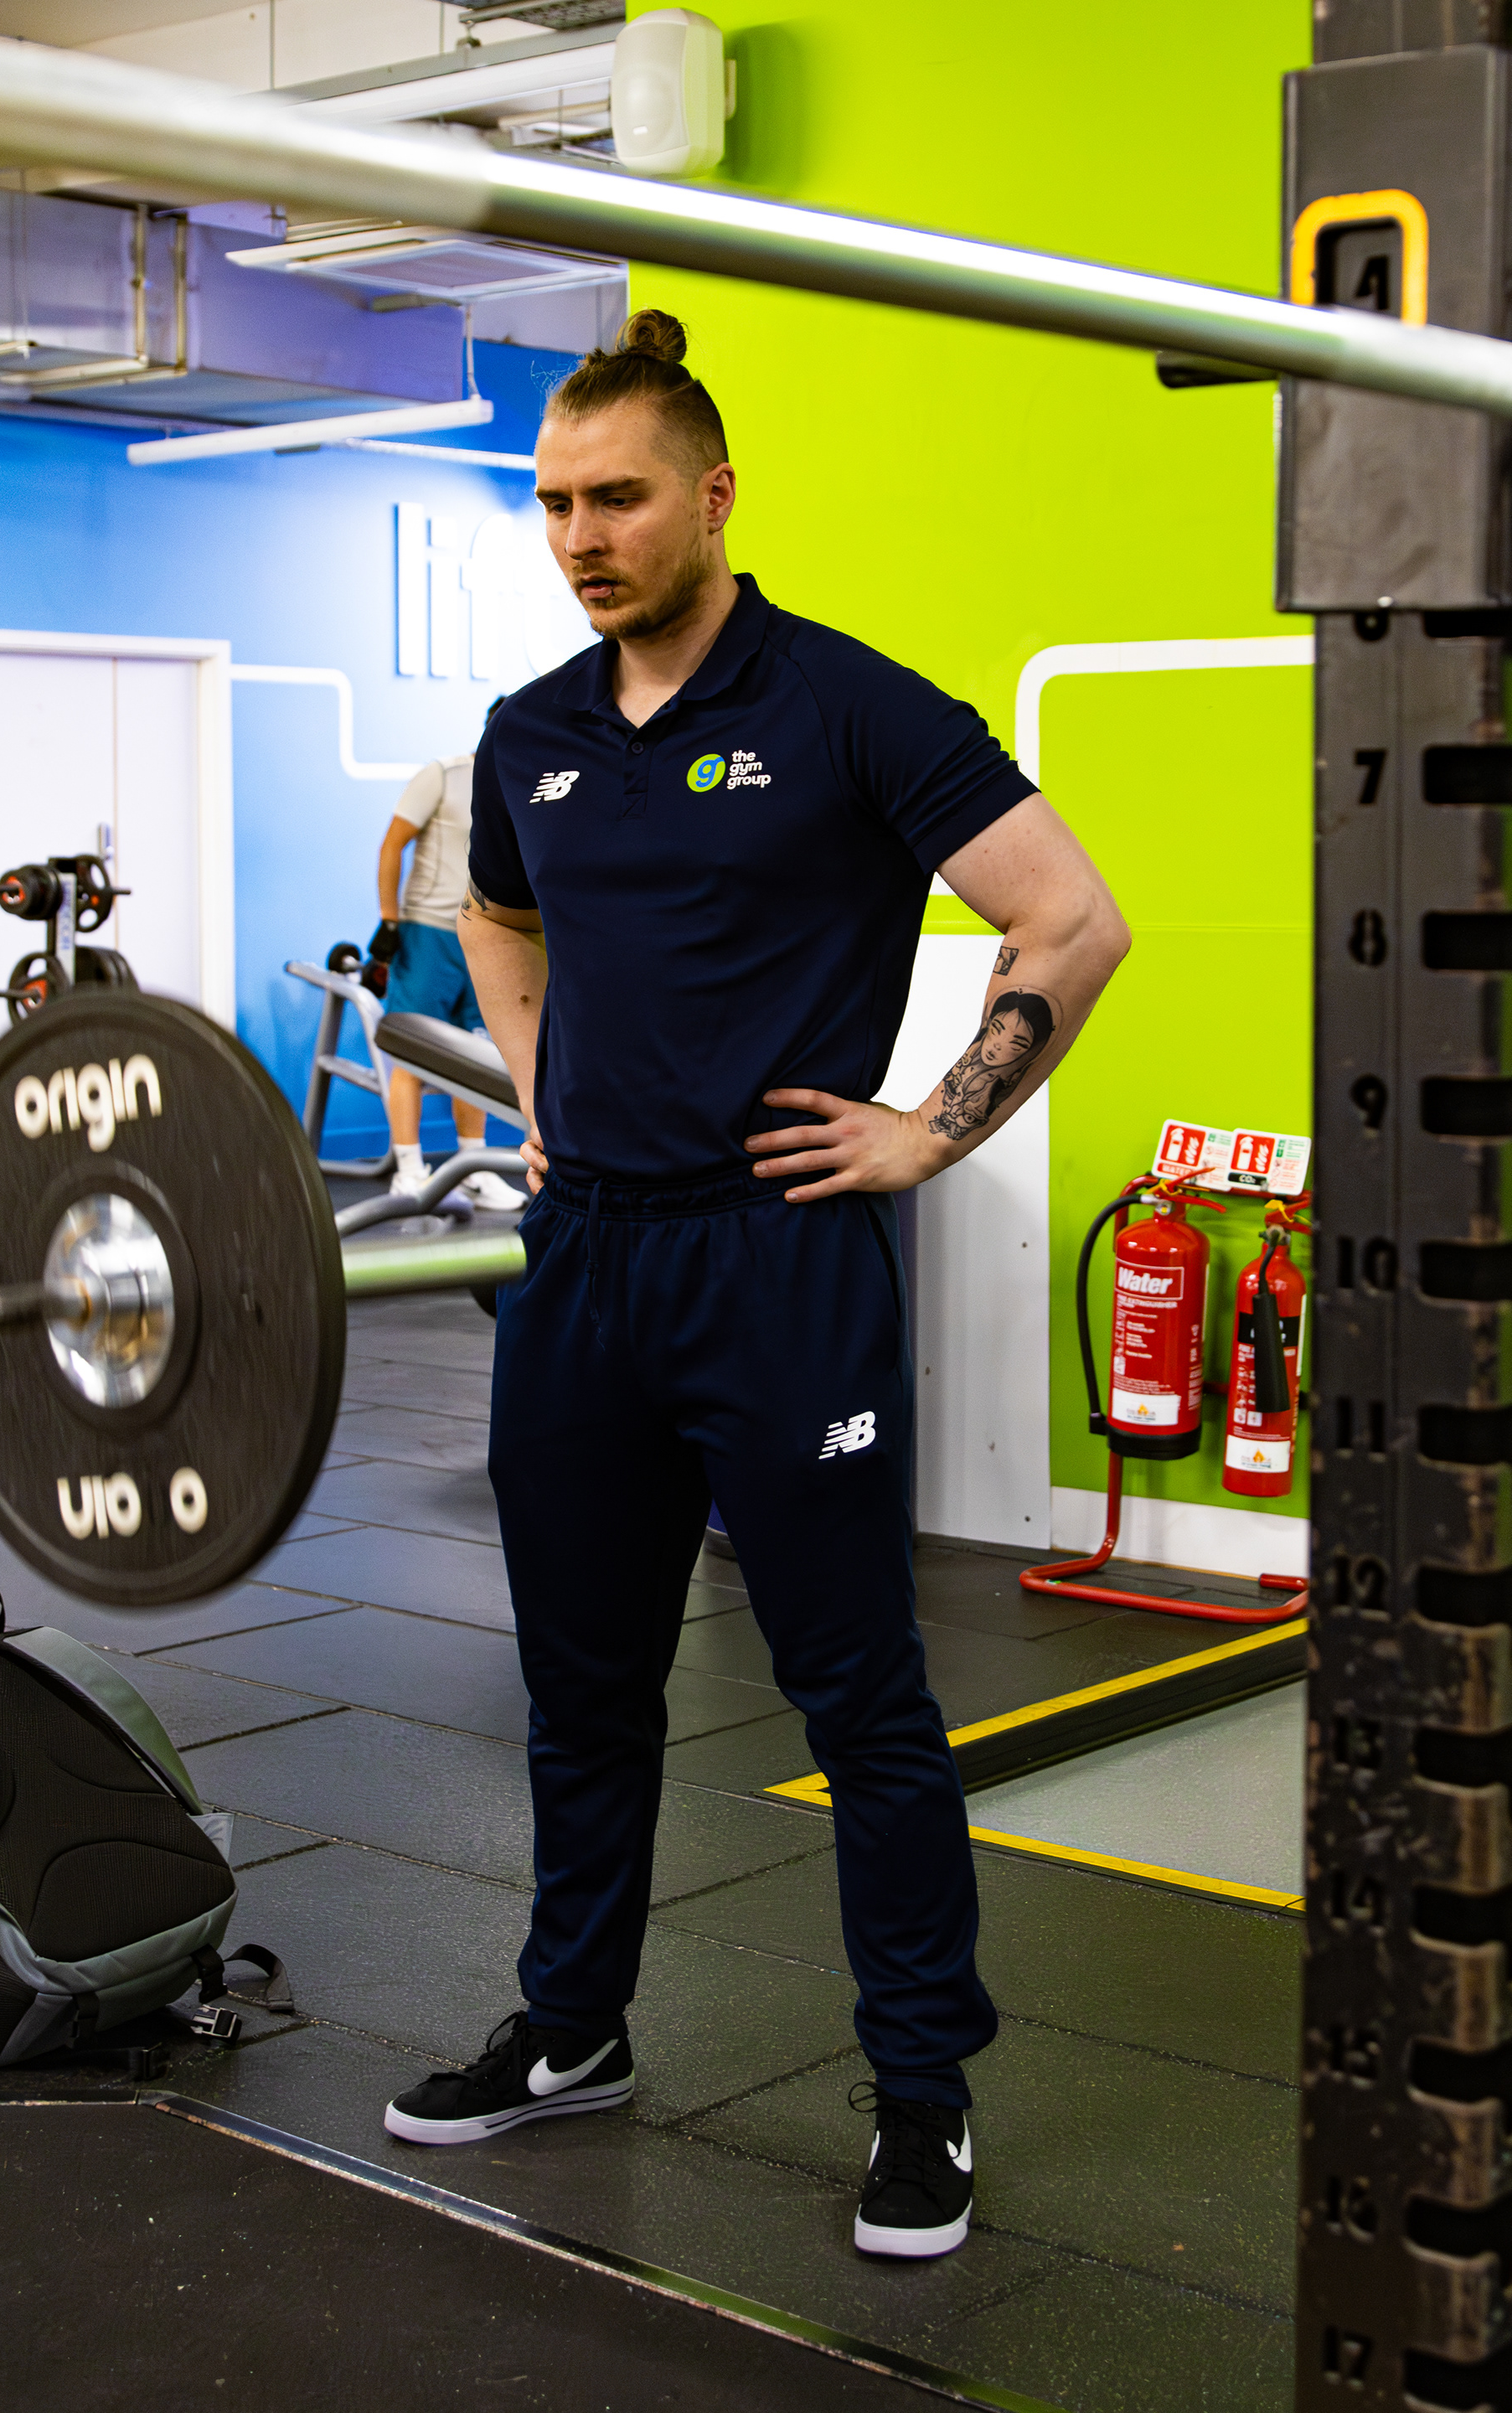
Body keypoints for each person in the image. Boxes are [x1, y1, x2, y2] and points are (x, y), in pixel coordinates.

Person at [383, 312, 1129, 2261]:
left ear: (713, 495)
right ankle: (572, 2027)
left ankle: (922, 2095)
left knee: (857, 1692)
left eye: (618, 498)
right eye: (554, 502)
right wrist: (541, 1093)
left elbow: (1071, 915)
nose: (582, 536)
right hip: (585, 1267)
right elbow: (498, 916)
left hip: (778, 1261)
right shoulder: (532, 732)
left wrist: (928, 1130)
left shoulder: (849, 706)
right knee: (581, 1680)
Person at [369, 713, 524, 1212]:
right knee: (414, 1050)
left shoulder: (529, 783)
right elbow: (392, 845)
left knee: (475, 1052)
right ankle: (409, 1169)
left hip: (489, 933)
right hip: (429, 931)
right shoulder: (444, 774)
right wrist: (390, 922)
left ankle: (473, 1169)